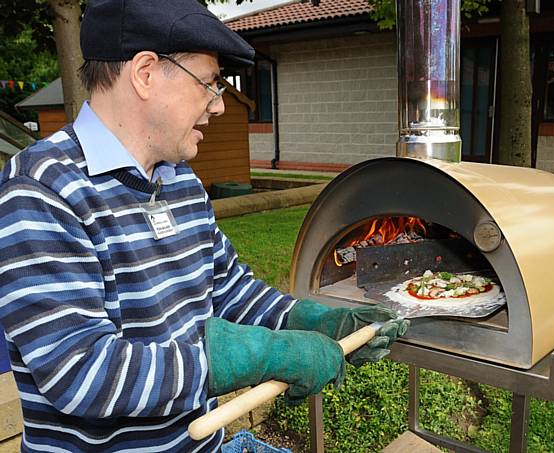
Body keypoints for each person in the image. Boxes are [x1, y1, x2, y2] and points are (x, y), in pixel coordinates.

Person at [0, 1, 409, 452]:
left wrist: (314, 320)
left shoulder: (179, 180)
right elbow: (80, 374)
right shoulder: (42, 188)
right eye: (209, 84)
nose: (218, 105)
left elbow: (230, 290)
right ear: (146, 73)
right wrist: (259, 355)